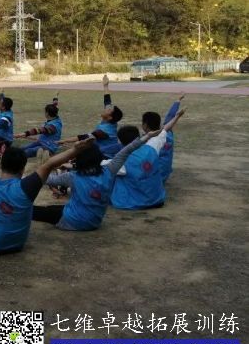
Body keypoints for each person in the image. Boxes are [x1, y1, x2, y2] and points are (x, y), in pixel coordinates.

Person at [31, 129, 162, 230]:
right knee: (55, 209)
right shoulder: (109, 170)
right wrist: (147, 136)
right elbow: (127, 151)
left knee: (35, 210)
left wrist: (44, 167)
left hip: (73, 221)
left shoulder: (72, 177)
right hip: (95, 221)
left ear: (79, 159)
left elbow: (43, 179)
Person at [110, 109, 186, 210]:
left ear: (121, 142)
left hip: (135, 203)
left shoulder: (120, 162)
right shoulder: (151, 147)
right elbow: (164, 130)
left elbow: (102, 171)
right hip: (157, 199)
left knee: (112, 178)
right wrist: (177, 116)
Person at [58, 75, 122, 159]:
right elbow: (107, 102)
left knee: (78, 151)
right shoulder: (111, 121)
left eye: (109, 110)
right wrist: (105, 86)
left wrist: (64, 141)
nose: (106, 108)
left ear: (110, 117)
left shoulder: (104, 131)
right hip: (101, 151)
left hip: (105, 156)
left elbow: (84, 137)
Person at [141, 94, 185, 183]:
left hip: (154, 177)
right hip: (165, 173)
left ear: (145, 125)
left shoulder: (148, 142)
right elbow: (170, 117)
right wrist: (178, 101)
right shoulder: (167, 134)